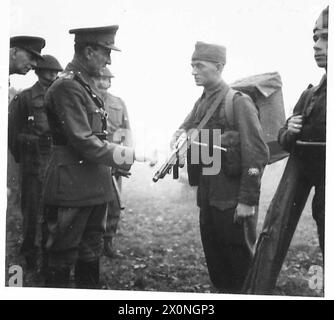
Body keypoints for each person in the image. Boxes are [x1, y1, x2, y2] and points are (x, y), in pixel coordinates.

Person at [42, 25, 145, 289]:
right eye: (106, 53)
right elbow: (84, 141)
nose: (108, 60)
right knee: (62, 256)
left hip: (92, 187)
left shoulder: (84, 86)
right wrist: (130, 155)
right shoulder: (67, 87)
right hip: (71, 189)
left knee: (90, 252)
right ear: (89, 51)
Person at [171, 42, 269, 293]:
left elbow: (256, 153)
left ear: (219, 67)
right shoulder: (202, 102)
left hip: (233, 201)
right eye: (192, 65)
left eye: (199, 66)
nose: (193, 71)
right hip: (208, 198)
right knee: (217, 266)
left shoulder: (238, 102)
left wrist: (248, 200)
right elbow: (185, 128)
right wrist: (180, 135)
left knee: (240, 267)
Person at [278, 6, 328, 256]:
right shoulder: (311, 95)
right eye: (315, 38)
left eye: (326, 37)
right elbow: (284, 139)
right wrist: (290, 129)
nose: (317, 45)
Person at [8, 55, 63, 272]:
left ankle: (49, 257)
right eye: (49, 71)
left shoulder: (60, 96)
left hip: (55, 163)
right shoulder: (25, 98)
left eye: (56, 72)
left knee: (53, 212)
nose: (53, 76)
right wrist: (31, 146)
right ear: (39, 72)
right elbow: (12, 136)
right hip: (33, 166)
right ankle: (29, 254)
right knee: (31, 214)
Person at [94, 67, 133, 257]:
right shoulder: (87, 99)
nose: (103, 82)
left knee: (115, 203)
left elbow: (126, 132)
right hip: (95, 158)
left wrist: (125, 161)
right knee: (94, 203)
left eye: (106, 79)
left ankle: (107, 243)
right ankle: (93, 243)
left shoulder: (119, 103)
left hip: (116, 157)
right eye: (100, 78)